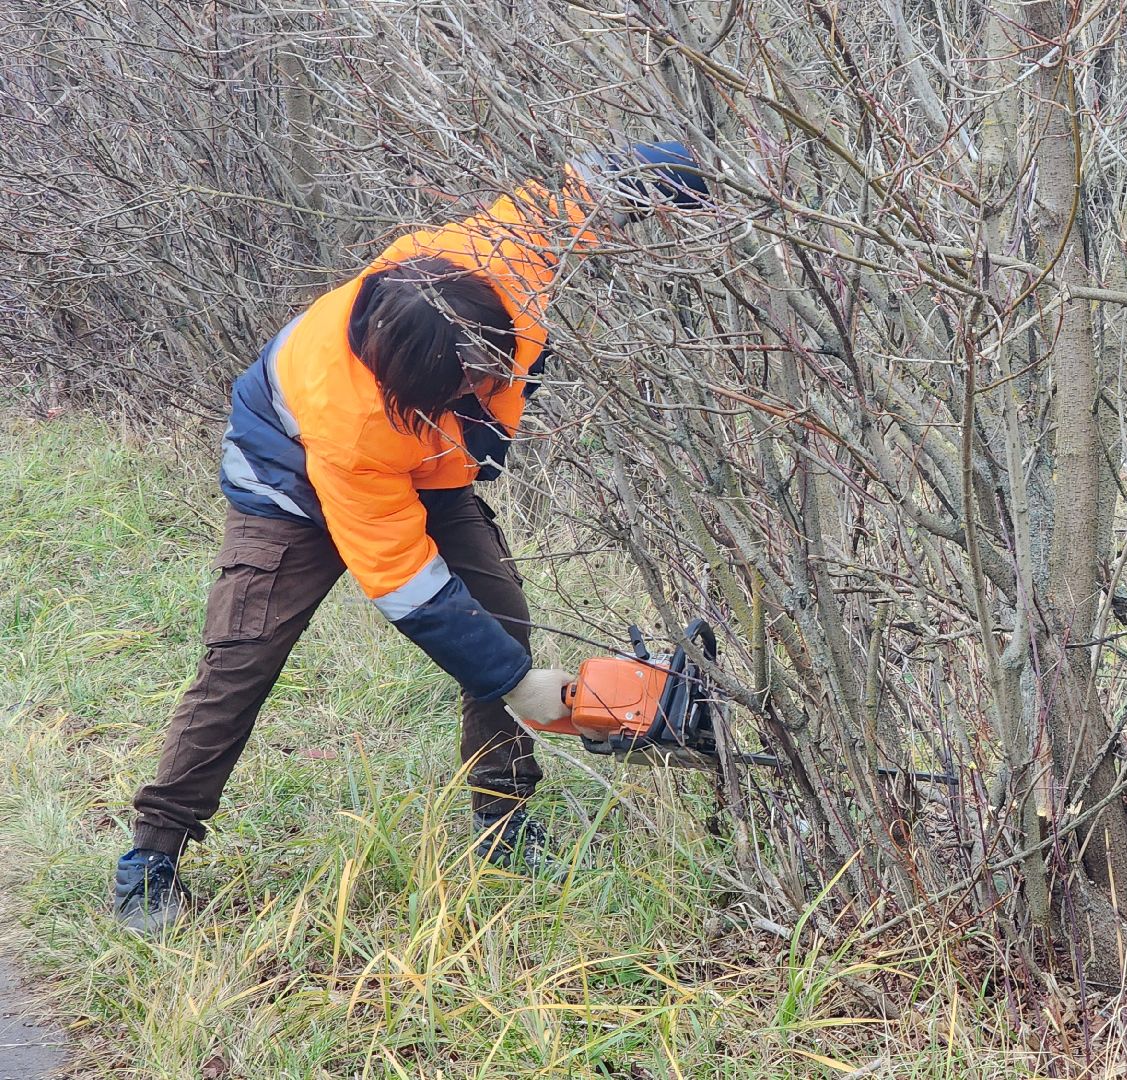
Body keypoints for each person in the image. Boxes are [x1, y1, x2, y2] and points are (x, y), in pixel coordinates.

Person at [111, 143, 708, 934]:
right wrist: (517, 683)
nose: (480, 390)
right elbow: (407, 585)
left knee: (501, 620)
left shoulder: (491, 262)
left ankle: (503, 821)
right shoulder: (354, 423)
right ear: (413, 388)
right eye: (461, 387)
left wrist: (674, 181)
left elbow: (578, 194)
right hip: (286, 479)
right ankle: (151, 856)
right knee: (242, 659)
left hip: (426, 466)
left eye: (483, 373)